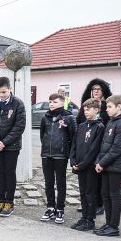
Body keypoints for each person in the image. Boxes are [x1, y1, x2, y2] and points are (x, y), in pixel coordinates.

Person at [0, 76, 26, 217]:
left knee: (9, 173)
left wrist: (4, 142)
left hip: (12, 146)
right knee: (0, 173)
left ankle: (9, 203)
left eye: (4, 92)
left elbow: (19, 126)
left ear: (10, 89)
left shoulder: (18, 104)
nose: (1, 95)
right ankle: (1, 201)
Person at [93, 95, 121, 237]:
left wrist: (102, 163)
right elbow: (104, 145)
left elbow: (117, 148)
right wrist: (99, 161)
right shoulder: (111, 122)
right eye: (106, 107)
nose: (107, 110)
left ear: (119, 107)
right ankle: (108, 223)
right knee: (105, 194)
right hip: (106, 165)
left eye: (110, 107)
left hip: (116, 165)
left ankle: (114, 226)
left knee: (114, 195)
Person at [39, 93, 76, 224]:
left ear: (62, 103)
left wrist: (68, 152)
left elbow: (73, 137)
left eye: (54, 102)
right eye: (50, 102)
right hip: (46, 155)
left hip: (61, 155)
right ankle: (50, 207)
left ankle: (60, 209)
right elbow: (42, 135)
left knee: (61, 183)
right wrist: (45, 148)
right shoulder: (45, 117)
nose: (51, 104)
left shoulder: (69, 118)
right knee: (48, 182)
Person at [76, 78, 112, 215]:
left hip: (101, 146)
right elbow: (79, 123)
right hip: (86, 146)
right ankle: (87, 203)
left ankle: (99, 204)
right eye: (93, 89)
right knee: (86, 181)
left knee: (98, 179)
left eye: (99, 89)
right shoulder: (86, 106)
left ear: (104, 91)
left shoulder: (107, 106)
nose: (96, 91)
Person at [69, 98, 105, 232]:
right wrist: (73, 161)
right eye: (84, 109)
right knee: (83, 192)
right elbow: (74, 145)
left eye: (88, 109)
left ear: (96, 110)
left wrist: (83, 164)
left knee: (90, 193)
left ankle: (90, 220)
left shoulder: (99, 127)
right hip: (79, 165)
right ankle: (84, 217)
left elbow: (94, 149)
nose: (86, 112)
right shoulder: (81, 126)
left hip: (89, 167)